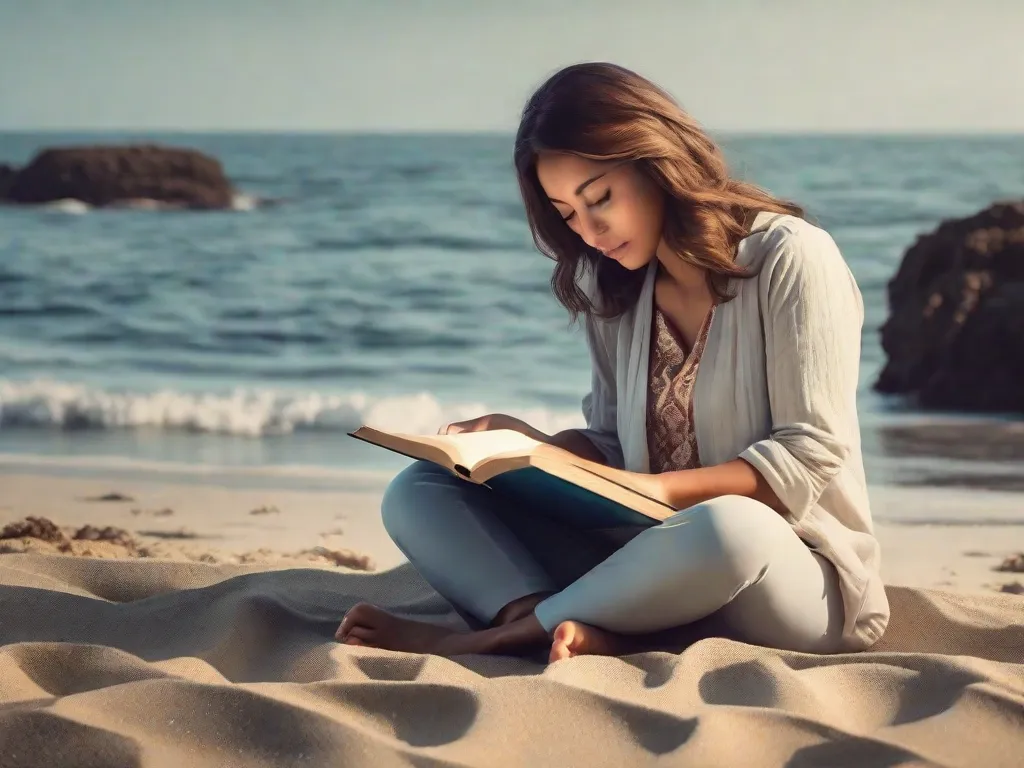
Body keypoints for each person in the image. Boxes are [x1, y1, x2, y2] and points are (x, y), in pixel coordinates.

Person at [336, 62, 890, 663]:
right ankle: (542, 617)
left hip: (792, 579)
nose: (590, 230)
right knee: (420, 488)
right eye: (568, 213)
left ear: (656, 161)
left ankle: (495, 640)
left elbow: (806, 456)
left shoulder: (792, 256)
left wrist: (648, 489)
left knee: (732, 525)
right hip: (649, 561)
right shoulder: (615, 288)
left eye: (600, 197)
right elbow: (610, 442)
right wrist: (531, 449)